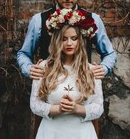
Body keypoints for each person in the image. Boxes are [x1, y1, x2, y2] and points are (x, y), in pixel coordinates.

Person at [17, 0, 117, 80]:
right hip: (49, 88)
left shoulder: (93, 19)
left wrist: (104, 68)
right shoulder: (38, 21)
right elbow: (24, 53)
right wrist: (28, 68)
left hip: (82, 86)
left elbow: (109, 53)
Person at [30, 9, 103, 139]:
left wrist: (76, 108)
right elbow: (35, 104)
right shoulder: (43, 67)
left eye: (74, 38)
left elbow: (98, 108)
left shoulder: (92, 70)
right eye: (64, 39)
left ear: (80, 41)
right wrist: (58, 109)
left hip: (82, 133)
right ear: (57, 41)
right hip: (51, 133)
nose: (69, 43)